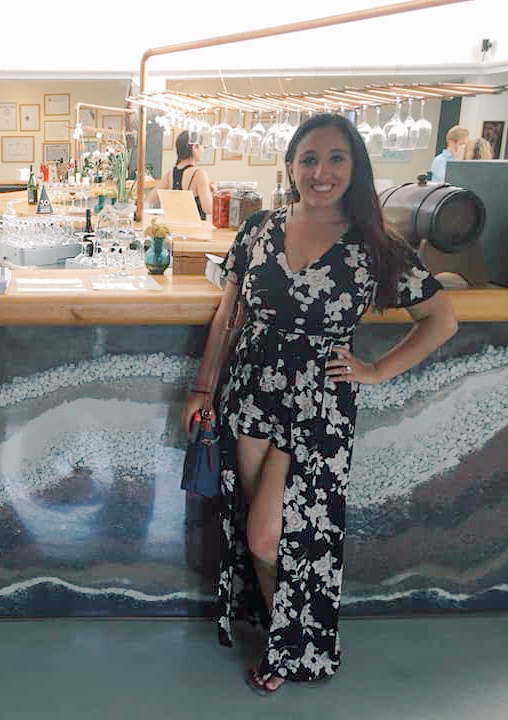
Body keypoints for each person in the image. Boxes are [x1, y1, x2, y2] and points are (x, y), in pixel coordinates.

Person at [183, 113, 457, 696]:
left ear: (354, 168)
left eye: (335, 158)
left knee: (272, 535)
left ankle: (300, 644)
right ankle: (286, 632)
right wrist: (204, 389)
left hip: (317, 406)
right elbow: (228, 314)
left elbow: (442, 318)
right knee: (251, 528)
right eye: (309, 158)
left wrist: (376, 370)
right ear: (290, 166)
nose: (321, 171)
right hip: (249, 392)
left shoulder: (374, 244)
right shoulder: (258, 229)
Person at [147, 130, 213, 219]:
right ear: (195, 147)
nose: (203, 150)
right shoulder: (199, 174)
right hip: (194, 230)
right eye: (202, 146)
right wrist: (214, 193)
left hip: (174, 228)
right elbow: (209, 209)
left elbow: (150, 198)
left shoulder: (170, 174)